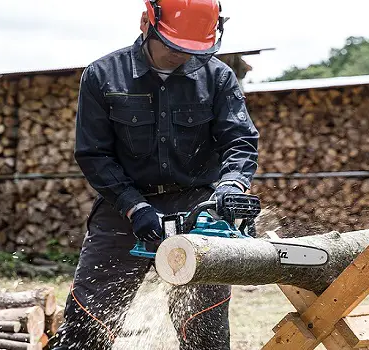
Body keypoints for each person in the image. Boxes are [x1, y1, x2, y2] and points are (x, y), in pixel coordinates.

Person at [47, 0, 259, 349]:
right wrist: (134, 207)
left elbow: (239, 139)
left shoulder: (217, 77)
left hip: (197, 205)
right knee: (87, 323)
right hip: (123, 206)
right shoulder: (103, 75)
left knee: (205, 330)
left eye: (191, 49)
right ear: (147, 23)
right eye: (174, 46)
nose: (181, 55)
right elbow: (94, 154)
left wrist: (232, 185)